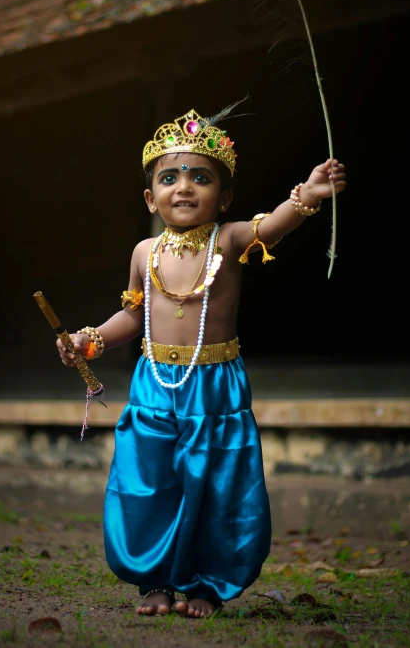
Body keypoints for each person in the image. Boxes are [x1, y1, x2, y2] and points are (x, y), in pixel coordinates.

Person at [57, 106, 346, 618]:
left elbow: (273, 227)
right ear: (151, 197)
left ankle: (207, 587)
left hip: (214, 384)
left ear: (225, 196)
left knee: (216, 487)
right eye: (169, 178)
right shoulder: (144, 251)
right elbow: (132, 316)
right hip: (154, 385)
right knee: (150, 483)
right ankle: (157, 583)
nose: (183, 187)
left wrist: (307, 195)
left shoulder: (230, 238)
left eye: (200, 177)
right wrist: (91, 340)